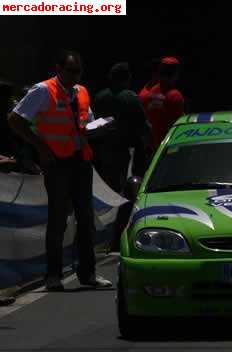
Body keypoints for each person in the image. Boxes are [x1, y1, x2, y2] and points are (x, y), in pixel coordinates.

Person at [7, 49, 112, 291]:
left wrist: (97, 129)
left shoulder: (82, 91)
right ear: (59, 69)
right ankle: (53, 276)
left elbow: (85, 122)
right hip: (57, 163)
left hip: (81, 161)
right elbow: (15, 120)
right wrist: (40, 148)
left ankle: (88, 274)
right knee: (58, 220)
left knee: (86, 220)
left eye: (79, 71)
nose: (75, 76)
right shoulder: (43, 91)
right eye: (71, 71)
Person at [93, 62, 150, 193]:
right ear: (127, 78)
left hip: (103, 147)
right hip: (124, 148)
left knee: (107, 181)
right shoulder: (130, 98)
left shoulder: (100, 96)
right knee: (123, 183)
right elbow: (144, 126)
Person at [141, 56, 185, 151]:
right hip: (169, 146)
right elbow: (178, 125)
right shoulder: (175, 96)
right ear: (176, 74)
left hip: (154, 146)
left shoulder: (151, 90)